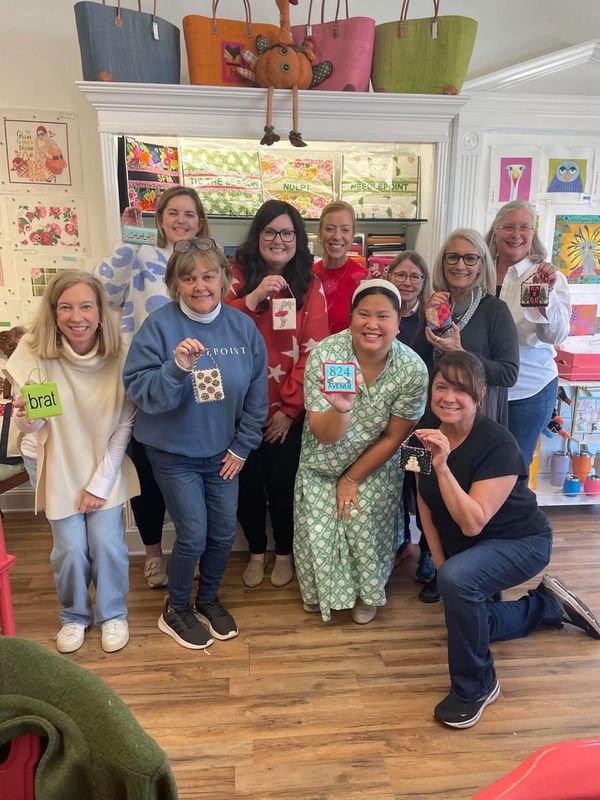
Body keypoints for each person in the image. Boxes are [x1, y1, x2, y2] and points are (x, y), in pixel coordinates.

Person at [415, 351, 600, 729]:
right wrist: (436, 557)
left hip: (522, 541)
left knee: (458, 585)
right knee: (466, 618)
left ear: (479, 395)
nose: (449, 397)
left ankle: (476, 686)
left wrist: (443, 465)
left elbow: (472, 523)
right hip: (475, 548)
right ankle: (546, 606)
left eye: (460, 390)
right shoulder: (425, 429)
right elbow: (423, 496)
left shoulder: (497, 443)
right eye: (441, 387)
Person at [123, 237, 267, 650]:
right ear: (175, 284)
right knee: (195, 534)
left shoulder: (242, 327)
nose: (200, 285)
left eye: (208, 275)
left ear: (224, 278)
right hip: (173, 453)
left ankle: (207, 599)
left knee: (222, 533)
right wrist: (176, 368)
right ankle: (177, 608)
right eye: (188, 278)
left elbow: (257, 395)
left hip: (225, 452)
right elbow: (143, 392)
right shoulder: (160, 327)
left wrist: (242, 446)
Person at [5, 270, 139, 654]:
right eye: (66, 307)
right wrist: (26, 418)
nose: (76, 316)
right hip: (53, 462)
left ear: (100, 312)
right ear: (53, 311)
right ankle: (74, 616)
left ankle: (113, 613)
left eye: (85, 306)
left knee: (107, 543)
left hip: (103, 464)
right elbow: (32, 428)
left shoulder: (120, 357)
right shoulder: (33, 353)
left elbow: (123, 426)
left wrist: (99, 484)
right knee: (69, 548)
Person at [294, 279, 429, 623]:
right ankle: (320, 592)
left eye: (383, 316)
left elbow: (394, 436)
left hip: (375, 463)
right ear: (350, 317)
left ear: (398, 323)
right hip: (321, 463)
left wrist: (353, 478)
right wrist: (341, 408)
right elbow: (323, 436)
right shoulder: (327, 355)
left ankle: (367, 594)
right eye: (363, 314)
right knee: (321, 529)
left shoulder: (412, 369)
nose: (372, 324)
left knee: (361, 518)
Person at [96, 186, 210, 589]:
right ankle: (152, 553)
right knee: (146, 474)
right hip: (144, 383)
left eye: (190, 214)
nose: (182, 220)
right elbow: (104, 291)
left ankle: (189, 548)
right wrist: (129, 238)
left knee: (187, 473)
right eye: (173, 213)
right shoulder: (141, 253)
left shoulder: (207, 263)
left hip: (194, 383)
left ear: (200, 221)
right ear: (160, 218)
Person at [225, 199, 329, 589]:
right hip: (240, 409)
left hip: (287, 411)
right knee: (247, 485)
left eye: (288, 233)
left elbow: (314, 350)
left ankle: (283, 553)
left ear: (298, 239)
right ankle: (255, 551)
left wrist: (288, 408)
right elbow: (217, 330)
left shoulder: (309, 284)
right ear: (258, 235)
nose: (279, 240)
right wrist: (252, 299)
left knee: (284, 485)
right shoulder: (235, 276)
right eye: (270, 231)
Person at [485, 200, 571, 468]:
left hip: (527, 390)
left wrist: (544, 300)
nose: (516, 234)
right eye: (509, 226)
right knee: (482, 465)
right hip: (482, 388)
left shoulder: (546, 277)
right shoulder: (478, 270)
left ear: (533, 234)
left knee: (513, 469)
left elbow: (556, 335)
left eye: (524, 227)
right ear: (495, 231)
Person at [412, 228, 519, 426]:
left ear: (481, 265)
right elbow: (416, 361)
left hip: (477, 418)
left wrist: (460, 353)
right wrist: (429, 316)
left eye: (470, 258)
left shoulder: (495, 309)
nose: (460, 265)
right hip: (433, 414)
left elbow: (508, 374)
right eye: (453, 257)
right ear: (443, 263)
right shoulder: (436, 305)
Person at [387, 251, 436, 586]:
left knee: (421, 487)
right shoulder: (380, 313)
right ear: (388, 276)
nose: (406, 282)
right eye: (400, 274)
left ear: (423, 282)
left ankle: (428, 551)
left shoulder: (431, 320)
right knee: (393, 485)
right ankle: (401, 541)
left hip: (420, 423)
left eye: (414, 276)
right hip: (385, 422)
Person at [312, 200, 367, 334]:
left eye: (345, 230)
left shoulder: (363, 279)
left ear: (353, 235)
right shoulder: (307, 275)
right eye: (330, 229)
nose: (337, 236)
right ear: (320, 232)